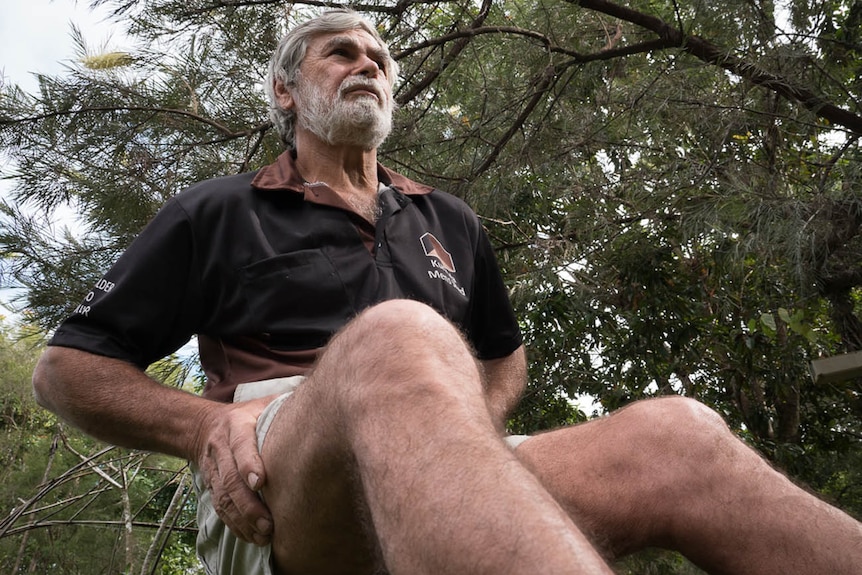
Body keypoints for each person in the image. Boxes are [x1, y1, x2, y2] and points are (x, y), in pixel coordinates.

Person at [32, 8, 862, 575]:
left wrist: (451, 423)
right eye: (342, 52)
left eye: (381, 58)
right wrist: (206, 424)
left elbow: (503, 358)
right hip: (280, 473)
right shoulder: (219, 209)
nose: (370, 63)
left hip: (441, 450)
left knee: (678, 434)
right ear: (286, 92)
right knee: (401, 335)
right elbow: (66, 368)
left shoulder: (447, 219)